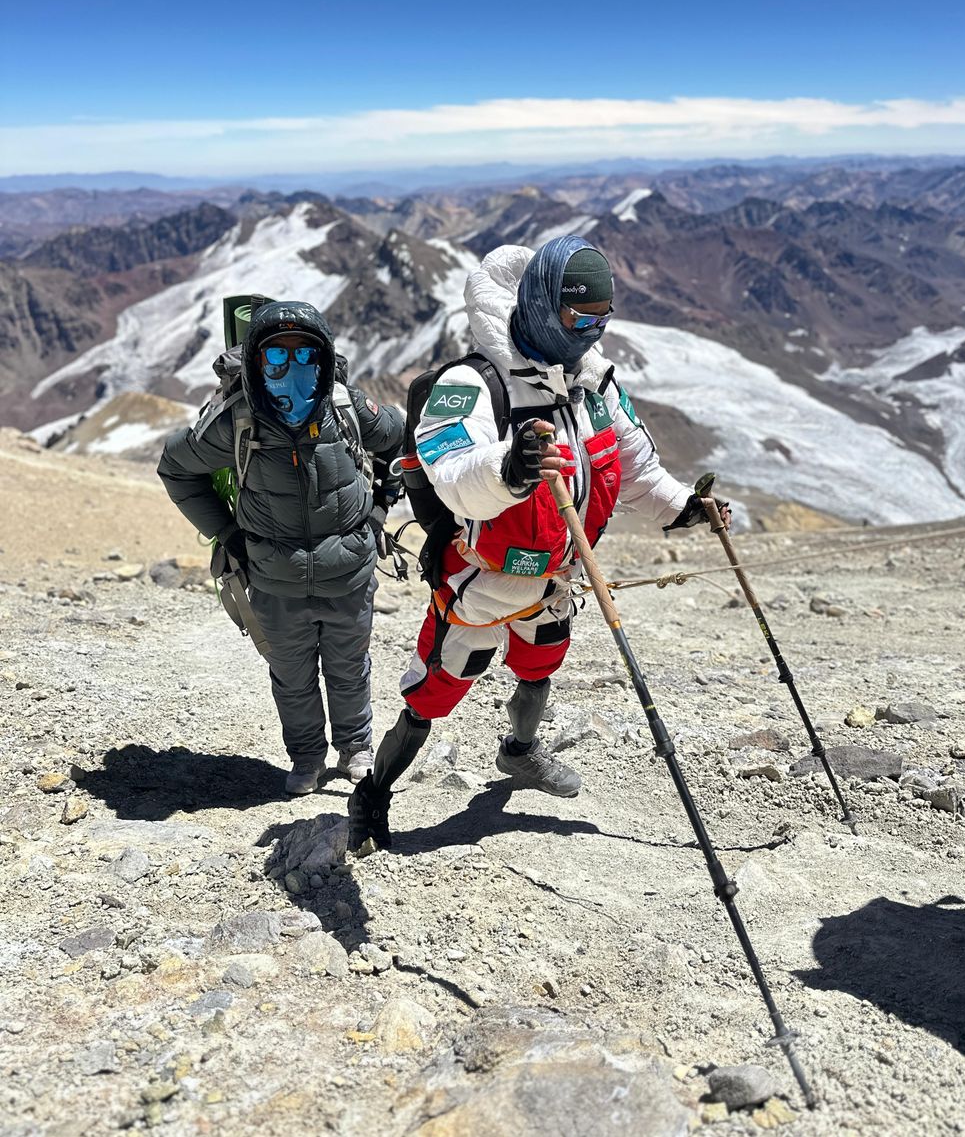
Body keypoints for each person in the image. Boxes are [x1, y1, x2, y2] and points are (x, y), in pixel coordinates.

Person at [347, 235, 731, 854]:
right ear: (542, 306)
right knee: (433, 696)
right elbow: (450, 471)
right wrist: (510, 467)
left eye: (602, 319)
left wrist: (684, 506)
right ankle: (373, 793)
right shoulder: (472, 384)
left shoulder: (594, 386)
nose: (589, 332)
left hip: (557, 578)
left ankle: (520, 752)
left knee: (539, 670)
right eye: (579, 317)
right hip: (480, 583)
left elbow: (632, 465)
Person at [157, 300, 404, 794]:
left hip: (348, 574)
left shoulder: (347, 408)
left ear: (325, 359)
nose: (292, 370)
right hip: (274, 580)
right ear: (254, 364)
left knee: (348, 668)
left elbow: (401, 441)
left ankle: (355, 747)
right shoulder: (236, 422)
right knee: (292, 678)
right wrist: (228, 535)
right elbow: (176, 467)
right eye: (276, 358)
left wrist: (380, 507)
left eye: (305, 356)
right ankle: (308, 757)